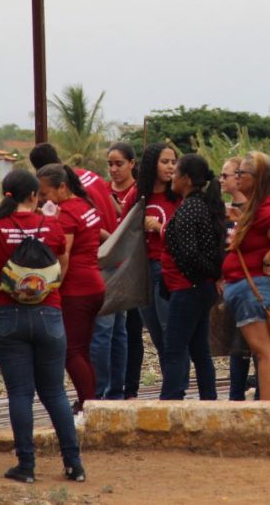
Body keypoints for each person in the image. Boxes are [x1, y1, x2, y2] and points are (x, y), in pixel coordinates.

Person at [0, 170, 84, 483]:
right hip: (49, 315)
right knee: (55, 393)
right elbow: (62, 262)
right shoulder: (51, 225)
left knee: (20, 393)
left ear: (6, 194)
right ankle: (74, 464)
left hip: (7, 316)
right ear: (35, 196)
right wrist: (49, 285)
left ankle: (26, 466)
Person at [220, 151, 270, 400]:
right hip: (258, 287)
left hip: (256, 289)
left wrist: (269, 259)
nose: (236, 177)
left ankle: (268, 410)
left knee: (265, 352)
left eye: (240, 173)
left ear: (256, 178)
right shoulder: (262, 207)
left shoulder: (267, 209)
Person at [37, 164, 106, 411]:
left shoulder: (67, 214)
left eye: (45, 194)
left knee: (72, 353)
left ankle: (89, 406)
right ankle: (90, 401)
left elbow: (62, 257)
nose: (42, 199)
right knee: (83, 350)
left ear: (62, 187)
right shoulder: (86, 206)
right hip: (94, 284)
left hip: (77, 289)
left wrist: (53, 288)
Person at [159, 154, 225, 400]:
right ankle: (209, 399)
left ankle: (169, 402)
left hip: (189, 288)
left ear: (186, 179)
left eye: (175, 173)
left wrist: (201, 276)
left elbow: (189, 253)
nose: (171, 178)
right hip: (198, 287)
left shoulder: (189, 209)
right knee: (199, 350)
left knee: (174, 349)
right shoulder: (203, 205)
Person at [122, 143, 180, 369]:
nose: (171, 167)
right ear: (151, 165)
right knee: (156, 334)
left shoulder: (177, 194)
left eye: (174, 162)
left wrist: (158, 226)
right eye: (165, 162)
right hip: (141, 270)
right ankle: (171, 386)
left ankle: (176, 388)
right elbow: (124, 230)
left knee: (170, 331)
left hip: (168, 269)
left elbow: (183, 233)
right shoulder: (137, 195)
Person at [95, 142, 136, 400]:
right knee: (111, 330)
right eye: (110, 164)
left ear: (132, 164)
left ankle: (113, 390)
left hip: (127, 267)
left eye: (119, 164)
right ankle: (112, 390)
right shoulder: (103, 190)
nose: (113, 169)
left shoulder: (136, 191)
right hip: (107, 265)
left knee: (116, 331)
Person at [219, 157, 254, 401]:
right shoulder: (223, 211)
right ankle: (235, 397)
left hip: (253, 285)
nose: (222, 180)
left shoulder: (254, 210)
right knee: (236, 347)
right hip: (230, 284)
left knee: (258, 348)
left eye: (226, 175)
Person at [29, 143, 116, 239]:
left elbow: (63, 253)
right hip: (110, 242)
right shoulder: (88, 174)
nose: (41, 198)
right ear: (58, 158)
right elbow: (116, 208)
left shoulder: (67, 206)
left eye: (43, 194)